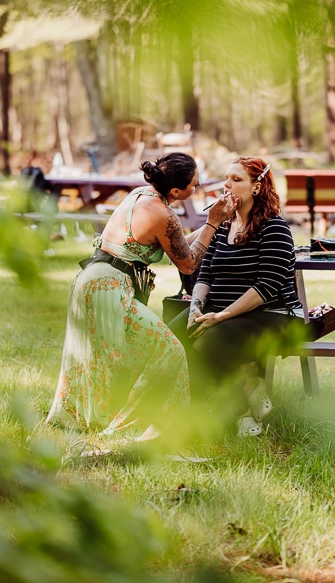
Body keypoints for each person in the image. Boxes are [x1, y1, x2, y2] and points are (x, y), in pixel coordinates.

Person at [46, 153, 237, 444]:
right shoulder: (163, 213)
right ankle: (143, 426)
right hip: (108, 288)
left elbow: (178, 244)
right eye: (194, 185)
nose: (197, 187)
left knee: (113, 357)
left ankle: (100, 418)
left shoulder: (143, 195)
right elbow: (188, 264)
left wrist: (214, 225)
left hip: (92, 281)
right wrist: (212, 222)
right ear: (175, 191)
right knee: (169, 351)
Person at [168, 157, 305, 437]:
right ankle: (244, 388)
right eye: (226, 178)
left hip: (270, 315)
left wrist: (220, 316)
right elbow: (204, 275)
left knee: (209, 342)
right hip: (221, 311)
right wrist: (196, 307)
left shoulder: (274, 227)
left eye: (236, 179)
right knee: (172, 338)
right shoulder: (222, 226)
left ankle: (239, 411)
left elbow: (267, 286)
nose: (227, 185)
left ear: (257, 187)